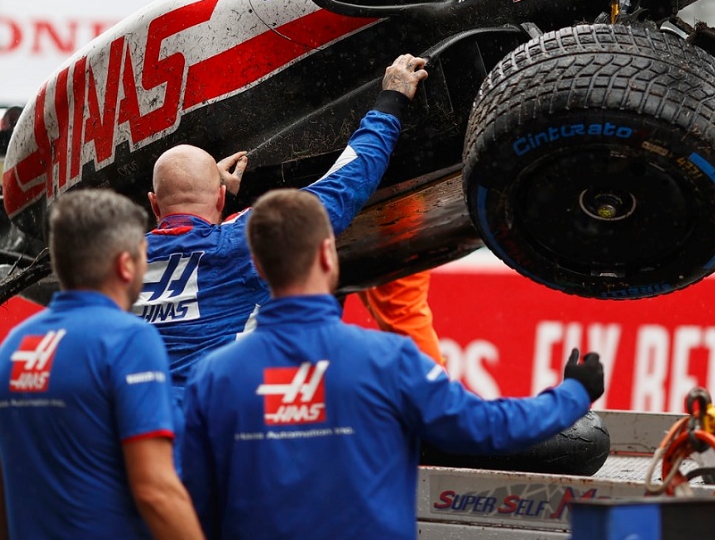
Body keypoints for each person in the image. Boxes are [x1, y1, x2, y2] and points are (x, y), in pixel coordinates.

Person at [181, 188, 604, 540]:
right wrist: (573, 394)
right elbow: (486, 428)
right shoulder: (389, 361)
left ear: (256, 265)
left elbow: (194, 501)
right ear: (329, 255)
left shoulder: (213, 377)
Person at [136, 53, 429, 402]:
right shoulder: (244, 241)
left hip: (141, 434)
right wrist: (390, 101)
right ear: (220, 197)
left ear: (154, 204)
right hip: (218, 432)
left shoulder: (118, 260)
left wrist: (203, 192)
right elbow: (343, 186)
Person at [0, 189, 203, 540]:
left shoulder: (12, 348)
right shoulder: (129, 340)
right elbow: (156, 492)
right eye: (143, 257)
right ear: (125, 265)